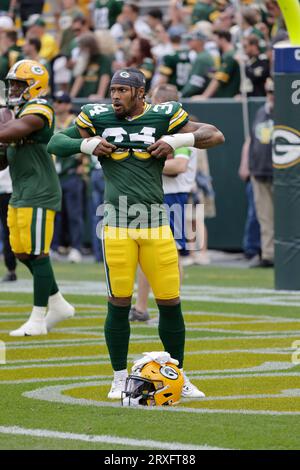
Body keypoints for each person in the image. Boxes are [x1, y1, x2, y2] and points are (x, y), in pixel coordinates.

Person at [47, 67, 224, 400]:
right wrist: (87, 145)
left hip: (156, 223)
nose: (115, 95)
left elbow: (215, 135)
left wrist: (176, 139)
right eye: (112, 89)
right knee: (118, 302)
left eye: (122, 90)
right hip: (116, 225)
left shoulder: (163, 115)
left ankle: (178, 374)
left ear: (141, 94)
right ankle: (117, 376)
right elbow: (55, 142)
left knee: (170, 302)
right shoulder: (97, 116)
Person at [0, 59, 74, 336]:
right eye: (13, 84)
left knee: (38, 253)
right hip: (20, 191)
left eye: (20, 84)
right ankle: (57, 303)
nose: (14, 89)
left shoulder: (39, 107)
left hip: (40, 192)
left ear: (35, 86)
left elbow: (14, 131)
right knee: (21, 252)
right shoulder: (15, 111)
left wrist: (4, 128)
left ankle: (38, 317)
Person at [129, 83, 197, 322]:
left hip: (174, 197)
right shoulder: (158, 129)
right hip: (155, 196)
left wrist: (143, 164)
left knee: (172, 256)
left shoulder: (179, 132)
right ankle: (140, 307)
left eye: (152, 101)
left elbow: (179, 165)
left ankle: (172, 306)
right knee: (145, 254)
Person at [51, 91, 83, 263]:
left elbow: (87, 141)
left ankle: (76, 247)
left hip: (71, 173)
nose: (57, 104)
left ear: (68, 104)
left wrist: (83, 165)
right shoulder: (51, 121)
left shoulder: (76, 121)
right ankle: (54, 247)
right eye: (55, 101)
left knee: (74, 213)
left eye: (61, 101)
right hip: (54, 175)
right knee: (55, 213)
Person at [0, 167, 17, 282]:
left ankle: (11, 269)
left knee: (9, 230)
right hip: (6, 190)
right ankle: (11, 269)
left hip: (8, 190)